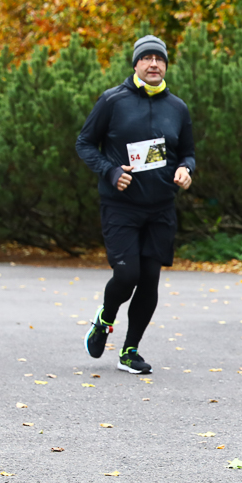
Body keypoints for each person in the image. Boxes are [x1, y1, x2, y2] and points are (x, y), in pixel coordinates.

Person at [76, 35, 195, 374]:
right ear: (136, 64)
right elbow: (84, 143)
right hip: (121, 205)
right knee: (127, 274)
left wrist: (187, 169)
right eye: (147, 58)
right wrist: (111, 171)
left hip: (160, 207)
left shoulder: (178, 107)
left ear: (166, 65)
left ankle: (130, 350)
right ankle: (104, 319)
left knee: (150, 281)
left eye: (160, 58)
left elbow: (187, 152)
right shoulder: (113, 101)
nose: (154, 63)